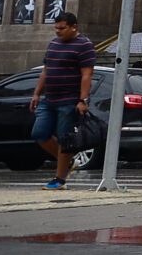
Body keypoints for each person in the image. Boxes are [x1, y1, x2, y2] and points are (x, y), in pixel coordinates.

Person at [29, 12, 98, 189]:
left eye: (62, 28)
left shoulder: (84, 45)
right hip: (49, 98)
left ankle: (60, 180)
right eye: (56, 28)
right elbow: (45, 70)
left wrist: (83, 99)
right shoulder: (53, 44)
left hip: (68, 99)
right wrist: (37, 93)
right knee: (39, 133)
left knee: (64, 139)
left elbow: (87, 74)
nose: (58, 32)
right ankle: (67, 161)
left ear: (74, 27)